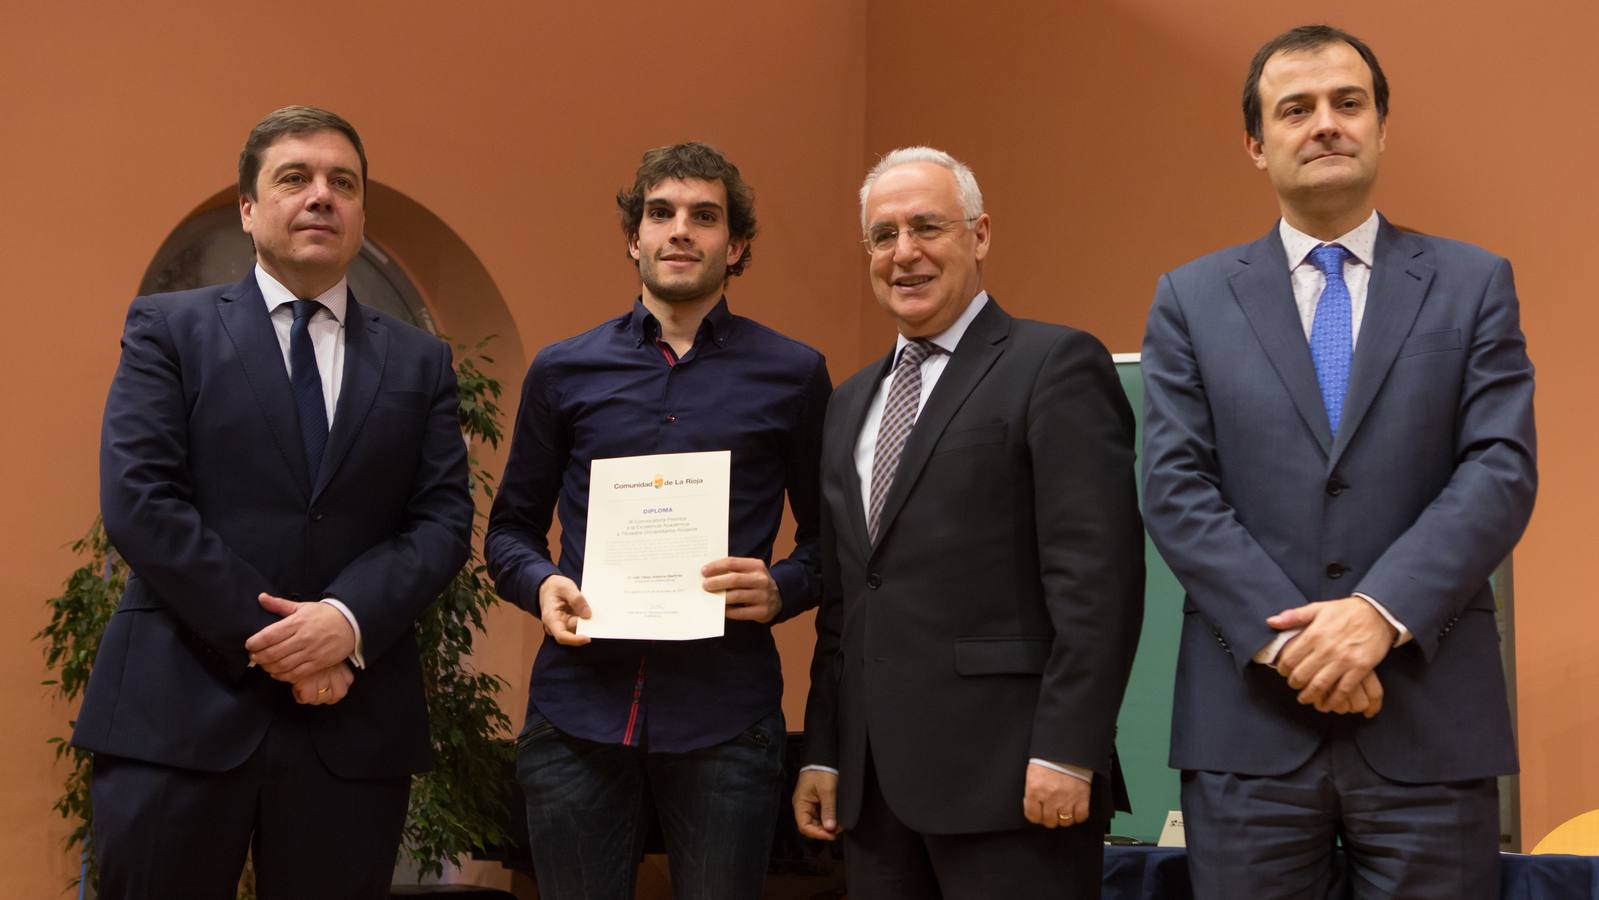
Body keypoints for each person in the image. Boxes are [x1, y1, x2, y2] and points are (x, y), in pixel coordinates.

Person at [1141, 24, 1537, 899]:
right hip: (1247, 730)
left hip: (1430, 723)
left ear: (1381, 126)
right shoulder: (1190, 300)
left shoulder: (1473, 284)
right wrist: (1303, 650)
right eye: (1296, 109)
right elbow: (1175, 491)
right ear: (1256, 143)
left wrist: (1377, 614)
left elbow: (1498, 469)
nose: (1324, 124)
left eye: (1346, 104)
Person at [74, 105, 474, 899]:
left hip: (350, 728)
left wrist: (346, 624)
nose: (321, 196)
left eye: (343, 183)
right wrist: (285, 640)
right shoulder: (168, 329)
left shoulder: (421, 361)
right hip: (179, 711)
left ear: (360, 213)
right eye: (294, 178)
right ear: (250, 211)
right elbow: (141, 502)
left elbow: (441, 523)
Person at [793, 146, 1143, 899]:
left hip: (1013, 784)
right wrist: (824, 752)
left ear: (979, 235)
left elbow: (1097, 581)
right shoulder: (849, 402)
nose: (904, 253)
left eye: (927, 227)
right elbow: (847, 601)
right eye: (882, 236)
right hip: (874, 796)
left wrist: (1068, 749)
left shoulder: (1053, 364)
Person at [484, 141, 830, 900]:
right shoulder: (562, 370)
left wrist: (782, 588)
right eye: (660, 213)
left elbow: (830, 542)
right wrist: (542, 585)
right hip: (576, 713)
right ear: (632, 238)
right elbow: (507, 532)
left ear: (734, 245)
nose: (680, 230)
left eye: (704, 217)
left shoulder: (794, 373)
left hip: (727, 716)